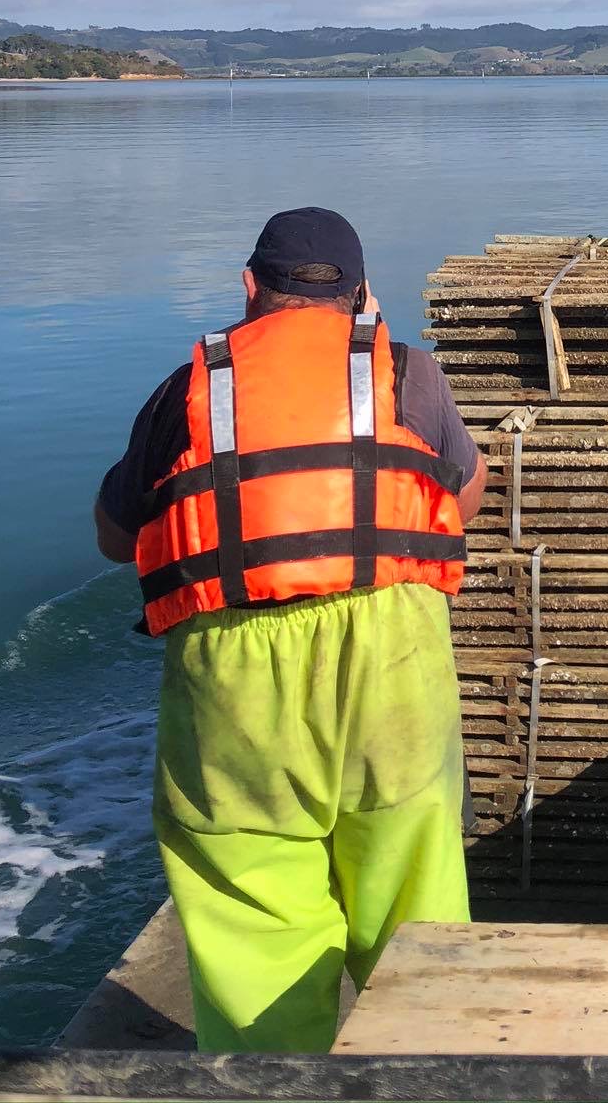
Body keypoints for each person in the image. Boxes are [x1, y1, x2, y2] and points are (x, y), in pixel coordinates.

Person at [93, 206, 486, 1053]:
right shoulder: (408, 373)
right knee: (414, 895)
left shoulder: (189, 388)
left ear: (249, 288)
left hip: (234, 670)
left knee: (255, 913)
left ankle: (272, 1076)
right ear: (362, 294)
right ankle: (431, 1069)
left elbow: (116, 538)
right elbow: (464, 497)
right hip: (394, 657)